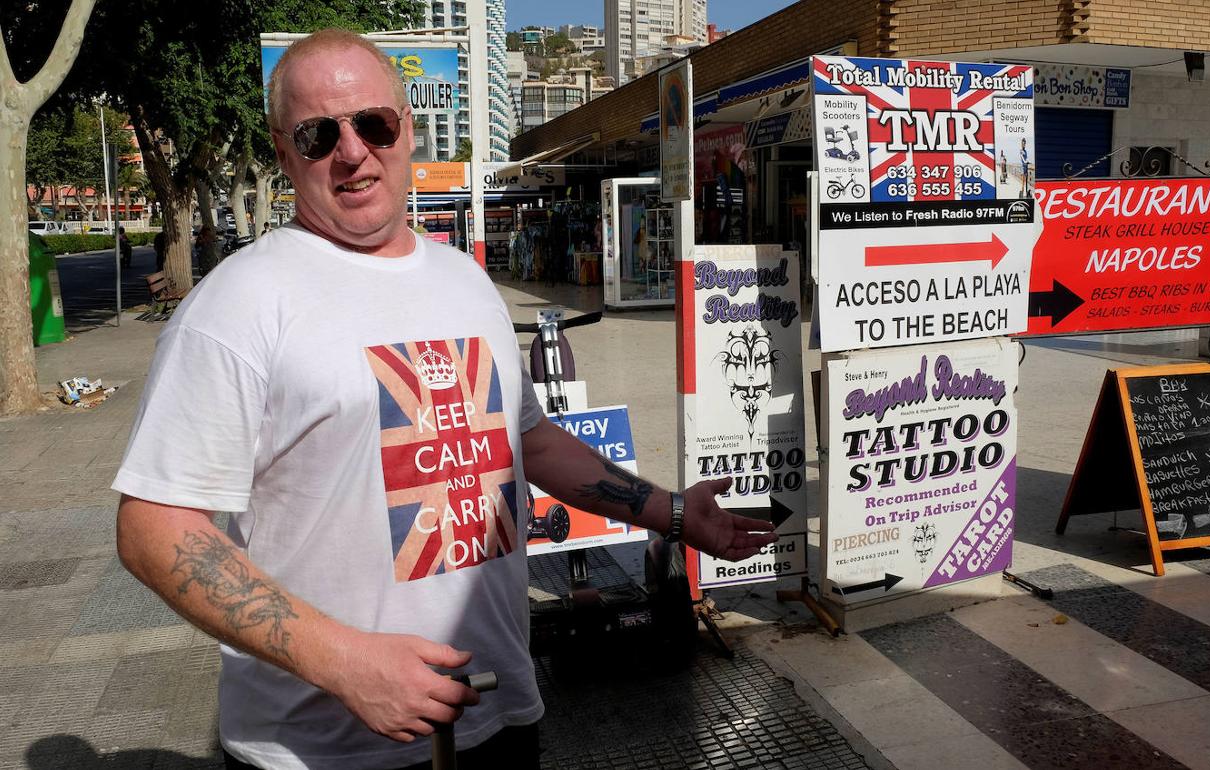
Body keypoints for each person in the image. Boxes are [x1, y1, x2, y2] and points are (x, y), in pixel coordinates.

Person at [111, 28, 775, 770]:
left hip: (497, 716)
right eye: (318, 132)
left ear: (408, 128)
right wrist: (345, 663)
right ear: (282, 149)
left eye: (372, 123)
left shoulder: (463, 279)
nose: (352, 150)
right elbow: (153, 528)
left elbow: (526, 439)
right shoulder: (237, 305)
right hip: (319, 751)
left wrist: (672, 512)